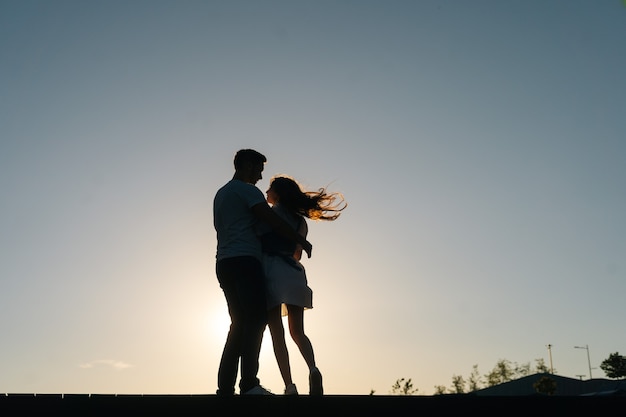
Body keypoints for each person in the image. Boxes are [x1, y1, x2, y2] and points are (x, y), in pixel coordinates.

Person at [213, 150, 313, 396]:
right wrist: (301, 239)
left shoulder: (221, 194)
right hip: (245, 261)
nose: (259, 176)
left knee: (238, 323)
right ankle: (249, 384)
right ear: (247, 165)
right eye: (258, 169)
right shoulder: (248, 191)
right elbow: (272, 220)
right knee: (257, 321)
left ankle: (225, 387)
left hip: (224, 262)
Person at [258, 175, 346, 396]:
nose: (266, 191)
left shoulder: (270, 214)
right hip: (294, 275)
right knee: (298, 332)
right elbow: (297, 254)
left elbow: (257, 240)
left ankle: (289, 385)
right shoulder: (301, 222)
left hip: (272, 271)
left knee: (277, 333)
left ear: (277, 193)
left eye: (270, 188)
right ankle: (313, 368)